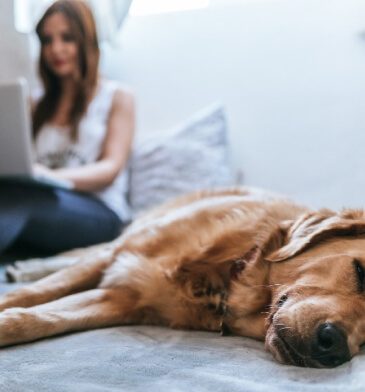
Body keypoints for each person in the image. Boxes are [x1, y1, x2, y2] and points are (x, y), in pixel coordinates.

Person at [0, 0, 135, 255]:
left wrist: (51, 177)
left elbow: (111, 169)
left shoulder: (117, 96)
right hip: (41, 205)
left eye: (67, 38)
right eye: (47, 40)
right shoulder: (33, 103)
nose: (56, 49)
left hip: (99, 212)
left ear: (86, 41)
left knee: (22, 200)